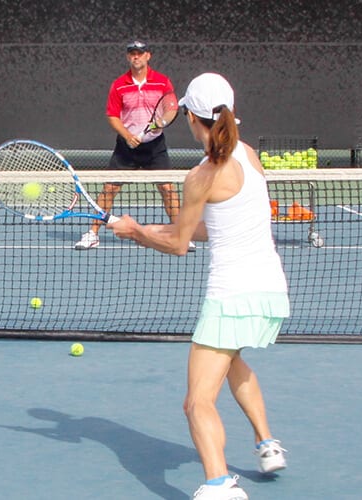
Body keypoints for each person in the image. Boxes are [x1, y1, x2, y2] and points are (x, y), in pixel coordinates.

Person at [106, 73, 289, 500]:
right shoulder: (249, 155)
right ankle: (267, 444)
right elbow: (221, 226)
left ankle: (220, 484)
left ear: (191, 117)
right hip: (269, 291)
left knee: (196, 402)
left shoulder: (201, 175)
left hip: (231, 296)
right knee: (234, 363)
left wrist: (135, 232)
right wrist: (149, 226)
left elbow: (179, 245)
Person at [75, 41, 194, 252]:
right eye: (132, 54)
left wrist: (160, 123)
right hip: (126, 147)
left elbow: (171, 107)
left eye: (140, 53)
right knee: (109, 188)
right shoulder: (119, 85)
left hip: (155, 146)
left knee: (167, 189)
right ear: (128, 57)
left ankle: (180, 235)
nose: (136, 57)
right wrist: (127, 136)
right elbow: (112, 115)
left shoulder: (162, 82)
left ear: (148, 56)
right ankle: (92, 233)